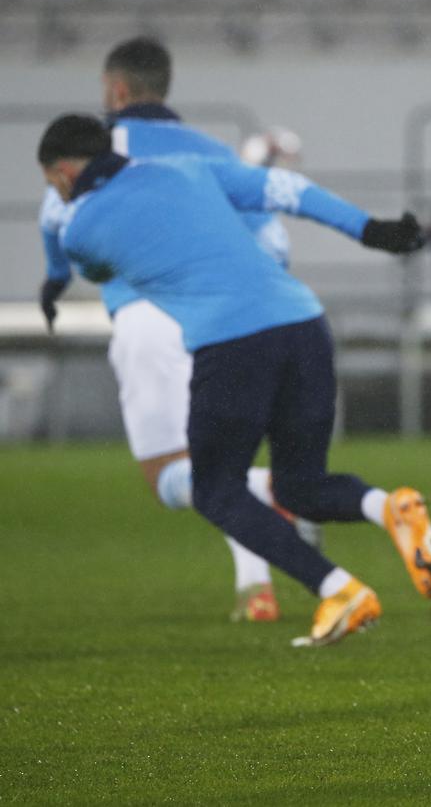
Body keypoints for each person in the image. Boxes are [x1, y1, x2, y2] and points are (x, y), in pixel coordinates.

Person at [37, 114, 431, 648]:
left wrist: (53, 280)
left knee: (214, 487)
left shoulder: (82, 229)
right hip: (305, 326)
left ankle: (338, 589)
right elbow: (287, 189)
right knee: (299, 486)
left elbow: (84, 262)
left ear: (66, 172)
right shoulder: (188, 167)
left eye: (53, 182)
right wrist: (372, 230)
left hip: (234, 345)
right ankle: (390, 507)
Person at [37, 37, 315, 622]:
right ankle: (255, 590)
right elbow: (271, 239)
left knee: (172, 476)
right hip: (220, 318)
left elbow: (53, 220)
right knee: (223, 460)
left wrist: (55, 282)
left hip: (146, 318)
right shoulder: (207, 153)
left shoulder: (92, 152)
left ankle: (278, 493)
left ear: (114, 90)